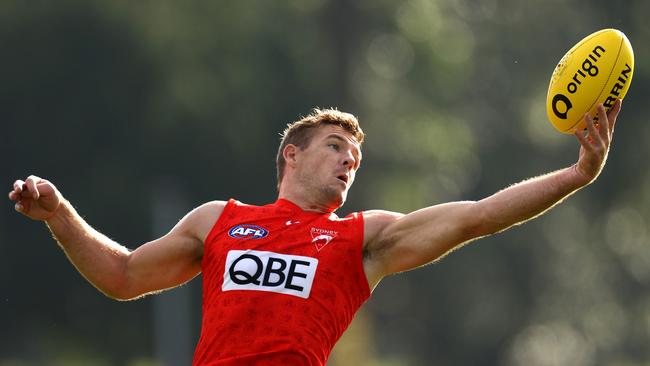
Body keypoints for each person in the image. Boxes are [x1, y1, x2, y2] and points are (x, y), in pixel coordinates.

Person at [9, 100, 622, 365]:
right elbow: (122, 276)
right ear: (291, 157)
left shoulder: (363, 238)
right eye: (335, 147)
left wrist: (577, 172)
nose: (348, 160)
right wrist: (61, 217)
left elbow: (480, 214)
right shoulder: (217, 220)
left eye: (355, 156)